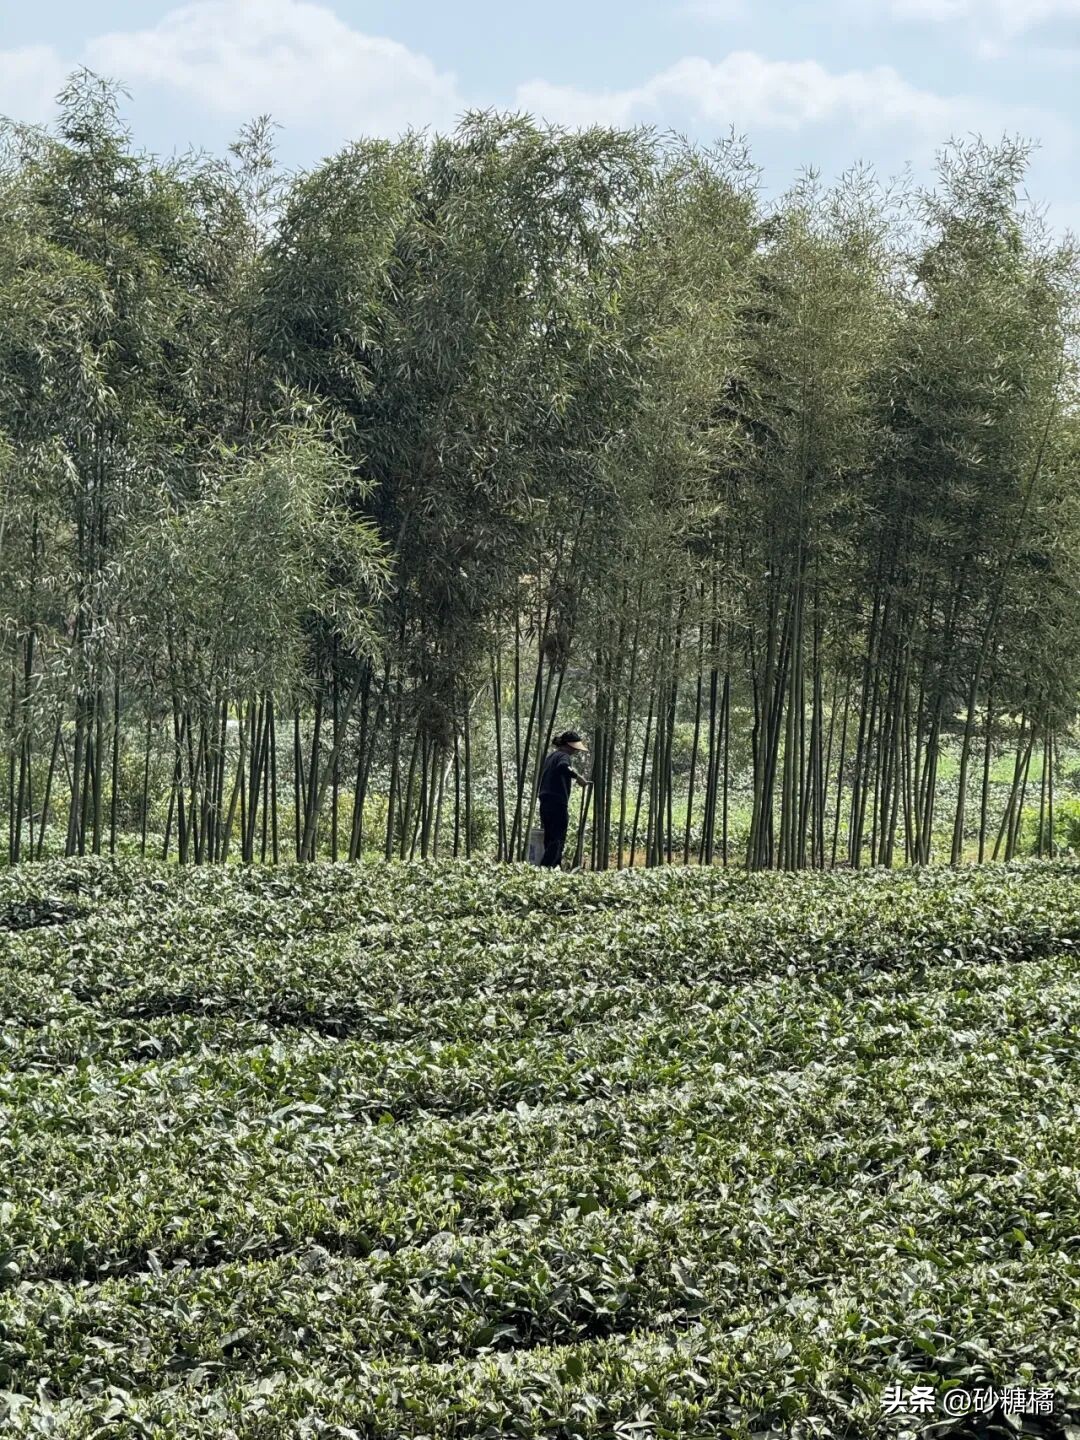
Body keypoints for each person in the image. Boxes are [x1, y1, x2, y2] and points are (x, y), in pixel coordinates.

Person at [538, 730, 590, 869]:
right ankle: (545, 868)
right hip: (557, 803)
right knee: (557, 839)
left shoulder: (551, 756)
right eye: (574, 748)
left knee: (549, 839)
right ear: (568, 745)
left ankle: (555, 869)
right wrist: (577, 776)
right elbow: (563, 767)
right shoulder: (563, 756)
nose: (576, 751)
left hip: (545, 802)